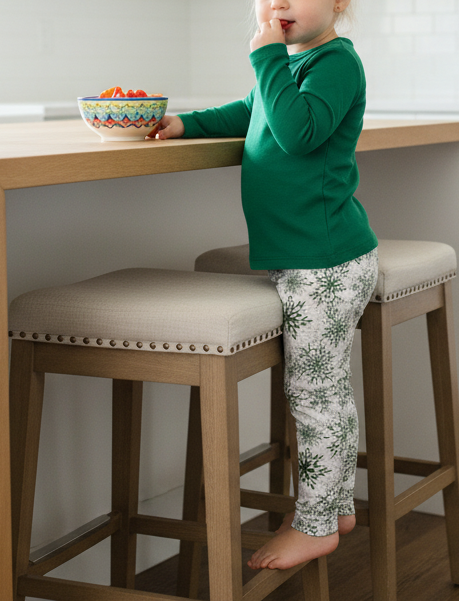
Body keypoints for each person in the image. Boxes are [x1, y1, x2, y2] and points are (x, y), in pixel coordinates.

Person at [153, 0, 378, 571]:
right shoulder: (291, 67)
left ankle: (317, 524)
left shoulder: (335, 64)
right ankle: (335, 508)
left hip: (325, 263)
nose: (278, 2)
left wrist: (267, 57)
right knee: (321, 390)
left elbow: (299, 134)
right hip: (304, 261)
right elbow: (249, 113)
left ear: (339, 4)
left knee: (316, 396)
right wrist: (187, 124)